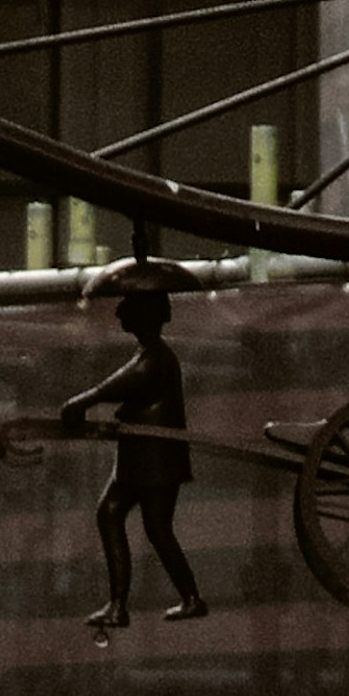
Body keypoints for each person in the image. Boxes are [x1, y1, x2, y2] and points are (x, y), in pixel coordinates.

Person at [64, 264, 204, 629]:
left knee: (131, 520)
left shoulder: (154, 358)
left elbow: (123, 384)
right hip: (145, 460)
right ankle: (136, 603)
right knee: (133, 521)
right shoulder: (150, 355)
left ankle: (135, 604)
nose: (120, 312)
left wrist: (82, 402)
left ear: (144, 315)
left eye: (128, 306)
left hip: (152, 463)